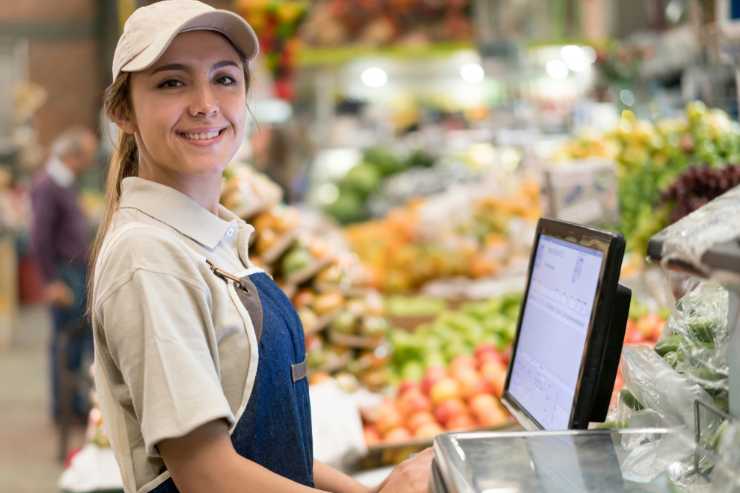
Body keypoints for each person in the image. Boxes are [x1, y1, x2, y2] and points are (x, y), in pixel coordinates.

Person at [89, 2, 433, 492]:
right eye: (172, 82)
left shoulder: (211, 238)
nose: (205, 102)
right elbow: (207, 474)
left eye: (225, 79)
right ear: (123, 111)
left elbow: (267, 453)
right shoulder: (150, 256)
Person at [30, 126, 98, 423]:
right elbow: (40, 236)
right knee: (66, 340)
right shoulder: (49, 185)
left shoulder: (63, 182)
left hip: (74, 269)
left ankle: (76, 402)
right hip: (64, 272)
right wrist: (51, 281)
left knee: (78, 340)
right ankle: (66, 408)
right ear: (73, 156)